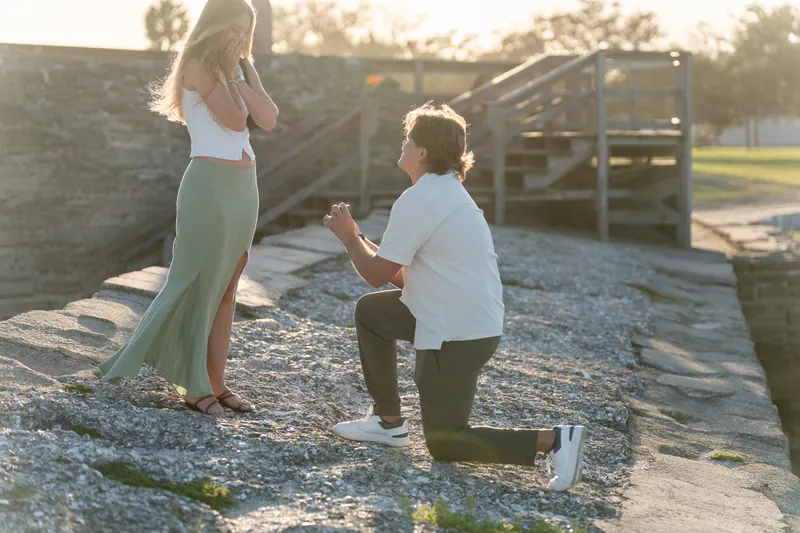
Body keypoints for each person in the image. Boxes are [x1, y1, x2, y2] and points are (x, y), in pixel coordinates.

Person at [322, 103, 586, 491]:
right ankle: (387, 422)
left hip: (457, 332)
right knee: (373, 313)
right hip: (464, 319)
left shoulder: (421, 199)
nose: (403, 144)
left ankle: (555, 441)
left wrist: (348, 238)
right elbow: (402, 276)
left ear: (422, 151)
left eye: (408, 139)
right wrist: (358, 237)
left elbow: (376, 275)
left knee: (445, 443)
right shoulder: (444, 192)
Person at [99, 0, 279, 416]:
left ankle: (217, 382)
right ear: (215, 25)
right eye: (232, 27)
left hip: (243, 187)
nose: (238, 36)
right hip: (209, 186)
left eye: (244, 30)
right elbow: (236, 120)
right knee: (197, 282)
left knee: (227, 287)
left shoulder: (238, 66)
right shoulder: (198, 64)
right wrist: (232, 76)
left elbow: (268, 118)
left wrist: (244, 72)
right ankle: (194, 386)